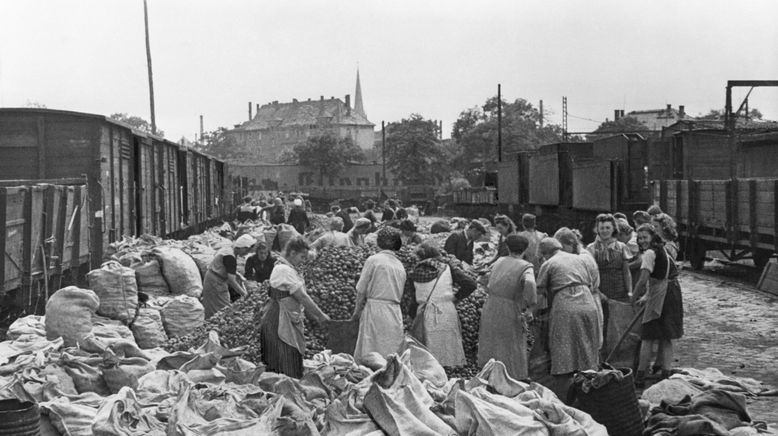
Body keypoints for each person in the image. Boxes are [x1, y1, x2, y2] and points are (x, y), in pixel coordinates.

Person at [259, 236, 330, 378]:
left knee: (287, 359)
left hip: (285, 317)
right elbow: (302, 297)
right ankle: (282, 392)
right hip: (278, 320)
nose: (303, 261)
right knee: (284, 360)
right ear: (292, 253)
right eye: (301, 257)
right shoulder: (283, 270)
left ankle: (285, 390)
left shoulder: (287, 268)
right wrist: (321, 316)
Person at [536, 238, 600, 392]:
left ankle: (565, 392)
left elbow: (540, 290)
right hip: (588, 302)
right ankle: (590, 388)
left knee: (563, 345)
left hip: (565, 303)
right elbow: (592, 283)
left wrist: (534, 311)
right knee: (587, 345)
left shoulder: (549, 263)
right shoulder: (580, 259)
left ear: (545, 253)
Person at [478, 234, 537, 379]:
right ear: (525, 249)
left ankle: (488, 375)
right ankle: (510, 377)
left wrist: (489, 288)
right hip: (510, 307)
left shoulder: (499, 260)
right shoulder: (525, 266)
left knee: (490, 341)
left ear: (508, 247)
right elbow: (530, 283)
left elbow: (482, 277)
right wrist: (529, 306)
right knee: (510, 344)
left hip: (491, 305)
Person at [409, 242, 476, 367]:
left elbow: (413, 299)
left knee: (426, 349)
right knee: (446, 349)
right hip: (445, 310)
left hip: (424, 311)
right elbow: (471, 284)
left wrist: (413, 316)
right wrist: (456, 298)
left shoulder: (414, 272)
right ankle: (446, 374)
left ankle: (428, 377)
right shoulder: (447, 268)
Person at [633, 224, 684, 387]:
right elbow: (661, 275)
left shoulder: (649, 254)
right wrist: (647, 295)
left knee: (648, 336)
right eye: (639, 238)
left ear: (652, 237)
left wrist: (633, 297)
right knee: (667, 335)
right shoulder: (663, 250)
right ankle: (665, 374)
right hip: (673, 292)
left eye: (645, 237)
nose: (642, 241)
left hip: (663, 295)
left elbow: (643, 280)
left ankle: (640, 376)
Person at [351, 227, 406, 362]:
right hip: (394, 312)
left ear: (379, 243)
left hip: (375, 310)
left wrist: (357, 312)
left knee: (371, 352)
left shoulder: (374, 260)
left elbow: (361, 290)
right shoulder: (400, 266)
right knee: (390, 352)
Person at [586, 214, 633, 348]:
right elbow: (590, 275)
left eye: (608, 227)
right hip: (600, 291)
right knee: (601, 323)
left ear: (613, 229)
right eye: (602, 228)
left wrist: (629, 291)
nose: (605, 231)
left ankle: (616, 354)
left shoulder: (622, 247)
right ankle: (601, 353)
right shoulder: (591, 248)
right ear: (597, 229)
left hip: (619, 291)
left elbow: (626, 271)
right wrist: (598, 292)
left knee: (618, 325)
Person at [202, 235, 256, 318]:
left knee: (216, 308)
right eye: (246, 250)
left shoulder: (229, 249)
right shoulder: (230, 257)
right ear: (242, 247)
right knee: (223, 309)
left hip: (212, 278)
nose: (246, 253)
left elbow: (226, 268)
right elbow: (232, 280)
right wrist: (244, 294)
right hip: (216, 282)